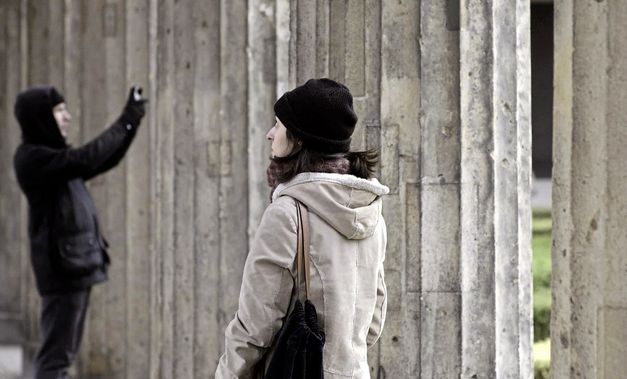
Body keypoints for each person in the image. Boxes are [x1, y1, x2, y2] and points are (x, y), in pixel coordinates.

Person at [216, 78, 388, 379]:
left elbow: (256, 324)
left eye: (278, 125)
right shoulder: (371, 212)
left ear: (299, 138)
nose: (270, 134)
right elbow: (373, 321)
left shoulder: (287, 213)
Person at [13, 85, 147, 379]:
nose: (67, 117)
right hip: (63, 271)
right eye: (59, 111)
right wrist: (126, 118)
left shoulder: (52, 159)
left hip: (73, 266)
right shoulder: (33, 158)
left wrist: (132, 122)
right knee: (56, 359)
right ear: (40, 117)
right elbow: (88, 157)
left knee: (62, 354)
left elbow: (103, 159)